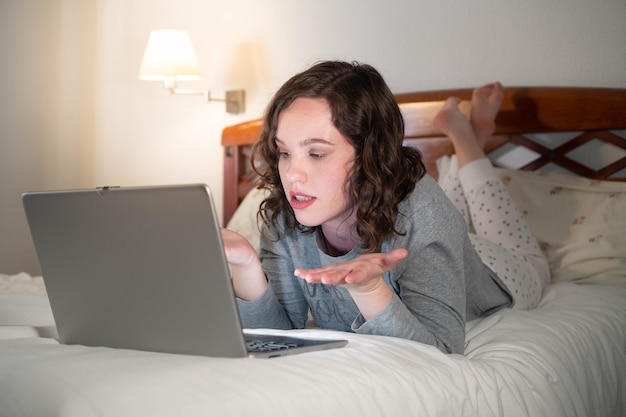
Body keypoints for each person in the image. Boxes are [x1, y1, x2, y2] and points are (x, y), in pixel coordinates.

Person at [221, 61, 549, 354]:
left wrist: (369, 288)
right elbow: (276, 335)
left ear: (369, 157)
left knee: (516, 246)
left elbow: (444, 350)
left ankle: (466, 139)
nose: (292, 174)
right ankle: (470, 136)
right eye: (284, 152)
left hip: (499, 270)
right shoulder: (286, 211)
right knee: (443, 207)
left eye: (317, 154)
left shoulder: (425, 211)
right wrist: (248, 267)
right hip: (430, 230)